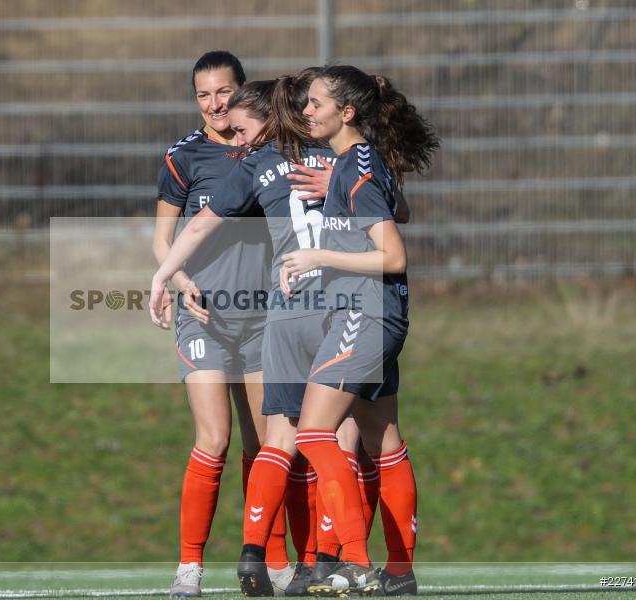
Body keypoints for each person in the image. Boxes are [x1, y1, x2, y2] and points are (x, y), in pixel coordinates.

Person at [149, 69, 340, 597]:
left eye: (223, 94)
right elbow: (167, 238)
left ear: (245, 96)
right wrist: (178, 281)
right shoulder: (184, 157)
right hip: (205, 314)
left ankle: (278, 562)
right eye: (203, 95)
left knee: (271, 445)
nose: (214, 105)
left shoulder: (281, 153)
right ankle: (190, 568)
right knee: (215, 438)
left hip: (268, 316)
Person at [281, 65, 438, 596]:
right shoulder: (361, 161)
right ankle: (399, 572)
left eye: (317, 102)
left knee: (312, 433)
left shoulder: (357, 167)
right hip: (380, 316)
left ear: (346, 112)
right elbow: (401, 208)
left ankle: (353, 560)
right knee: (383, 441)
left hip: (364, 315)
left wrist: (315, 256)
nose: (307, 110)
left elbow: (394, 255)